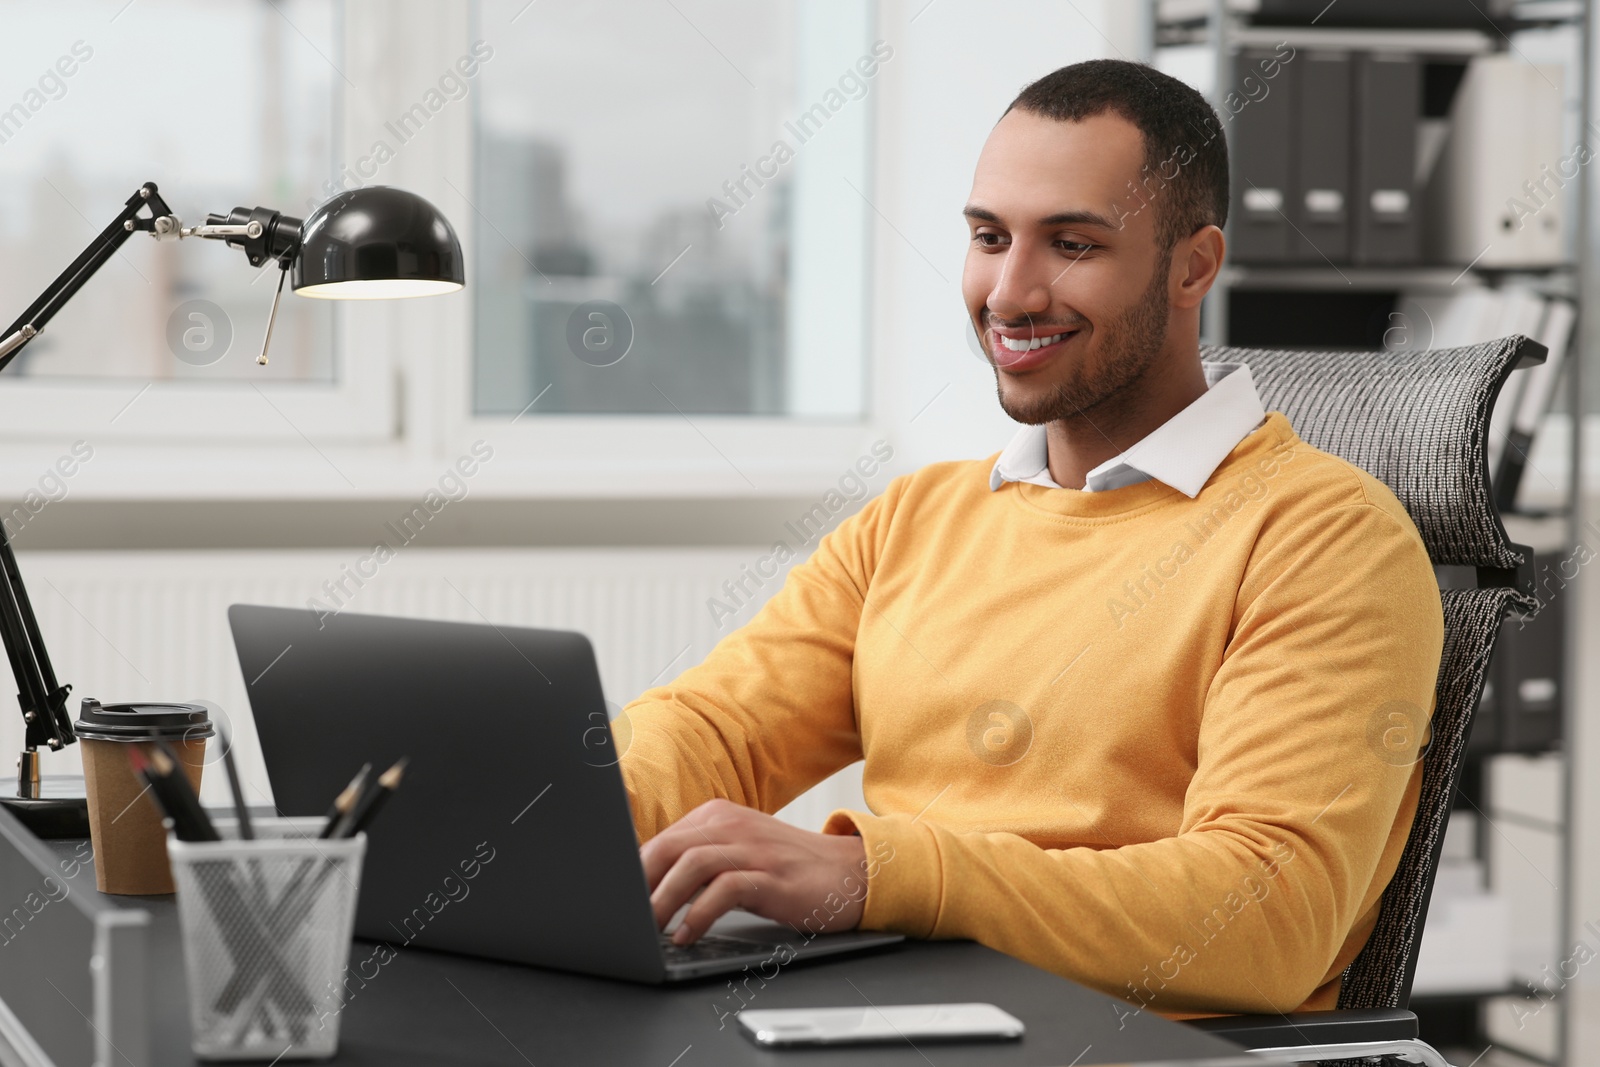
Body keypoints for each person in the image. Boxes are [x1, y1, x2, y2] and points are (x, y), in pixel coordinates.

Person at [617, 58, 1444, 1019]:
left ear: (1194, 264)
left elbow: (1264, 915)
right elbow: (719, 731)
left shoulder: (1327, 540)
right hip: (890, 1009)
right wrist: (532, 817)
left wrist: (876, 874)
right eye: (988, 236)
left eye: (1073, 245)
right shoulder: (916, 518)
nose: (1010, 292)